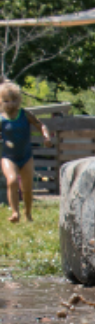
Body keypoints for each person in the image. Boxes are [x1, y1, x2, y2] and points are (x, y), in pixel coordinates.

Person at [0, 82, 52, 223]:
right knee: (11, 181)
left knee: (27, 188)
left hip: (26, 156)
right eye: (6, 101)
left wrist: (46, 136)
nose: (10, 104)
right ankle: (15, 213)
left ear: (19, 99)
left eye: (14, 100)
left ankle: (28, 214)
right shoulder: (1, 118)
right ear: (1, 101)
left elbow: (41, 125)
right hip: (8, 157)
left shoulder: (25, 114)